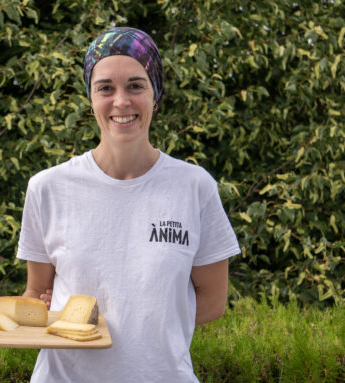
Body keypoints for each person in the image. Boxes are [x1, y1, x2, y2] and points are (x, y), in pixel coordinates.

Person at [17, 27, 240, 383]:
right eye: (105, 87)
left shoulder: (194, 187)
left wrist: (141, 327)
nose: (121, 101)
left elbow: (213, 303)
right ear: (90, 98)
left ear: (156, 95)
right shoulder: (47, 188)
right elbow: (35, 292)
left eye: (136, 86)